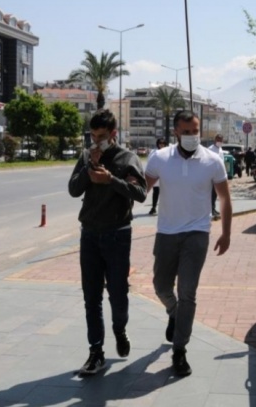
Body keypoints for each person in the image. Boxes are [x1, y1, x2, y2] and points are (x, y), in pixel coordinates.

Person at [144, 110, 232, 377]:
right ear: (175, 132)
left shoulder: (213, 161)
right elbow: (140, 190)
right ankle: (174, 313)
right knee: (161, 286)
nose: (192, 136)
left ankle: (179, 350)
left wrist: (226, 233)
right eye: (186, 132)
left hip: (197, 233)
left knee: (188, 292)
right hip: (166, 233)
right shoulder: (159, 158)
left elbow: (225, 199)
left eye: (195, 131)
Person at [68, 109, 147, 375]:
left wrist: (110, 179)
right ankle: (96, 352)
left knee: (118, 293)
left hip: (117, 235)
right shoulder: (86, 156)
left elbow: (140, 193)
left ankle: (120, 330)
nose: (96, 141)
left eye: (101, 136)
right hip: (90, 234)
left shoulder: (128, 158)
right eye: (92, 135)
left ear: (113, 134)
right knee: (91, 297)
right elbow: (73, 190)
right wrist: (89, 167)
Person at [207, 134, 225, 218]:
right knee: (211, 194)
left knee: (215, 194)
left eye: (221, 140)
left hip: (218, 175)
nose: (219, 142)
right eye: (218, 140)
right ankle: (211, 210)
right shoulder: (210, 149)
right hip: (211, 175)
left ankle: (213, 208)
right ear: (215, 140)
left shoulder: (220, 149)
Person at [148, 138, 167, 215]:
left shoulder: (168, 152)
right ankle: (153, 208)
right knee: (156, 192)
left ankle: (166, 210)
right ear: (157, 144)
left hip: (165, 175)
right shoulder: (153, 152)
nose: (161, 145)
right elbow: (150, 162)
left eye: (163, 143)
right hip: (156, 175)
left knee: (166, 193)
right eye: (160, 143)